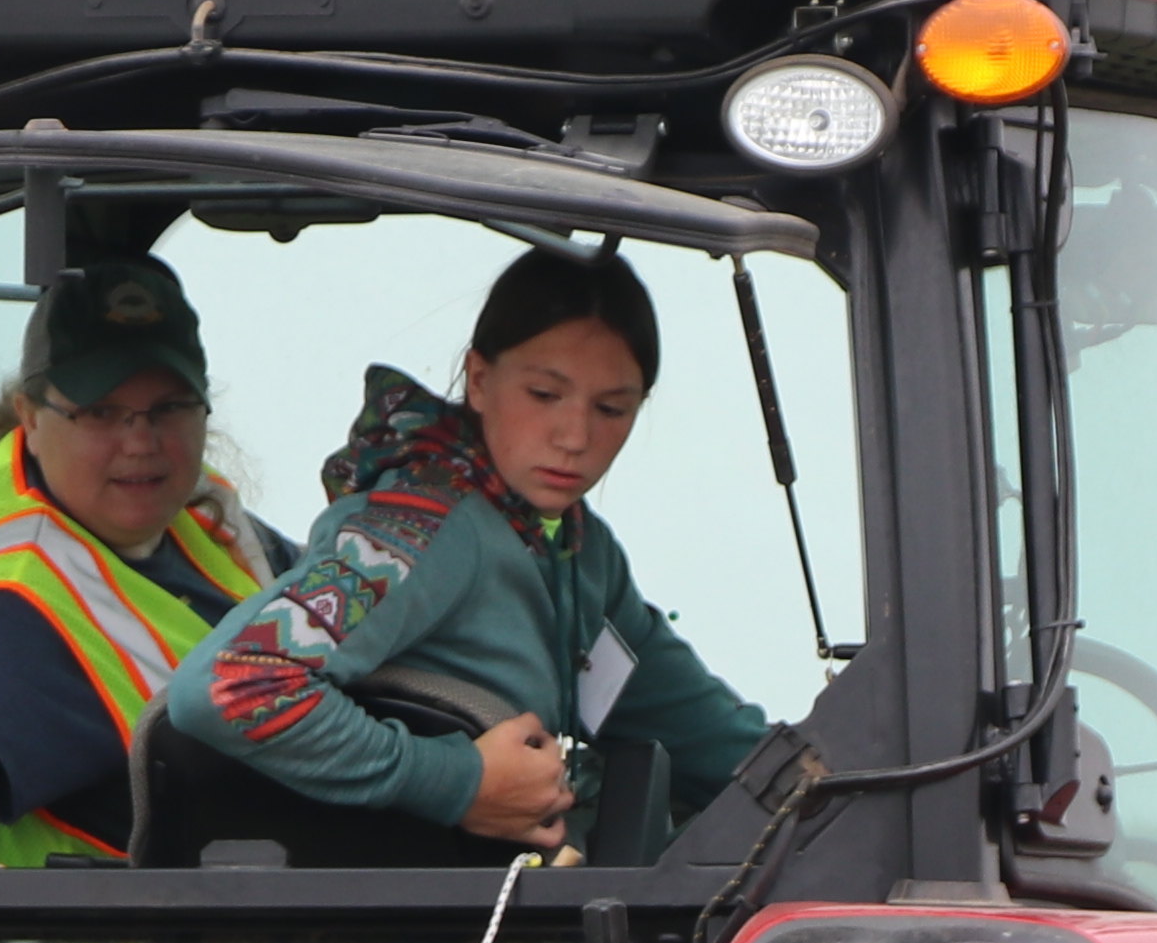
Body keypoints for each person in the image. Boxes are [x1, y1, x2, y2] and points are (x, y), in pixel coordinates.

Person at [151, 245, 768, 858]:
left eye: (611, 409)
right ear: (478, 379)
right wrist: (457, 782)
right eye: (544, 395)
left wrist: (840, 768)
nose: (575, 437)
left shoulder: (580, 553)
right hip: (372, 932)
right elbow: (231, 686)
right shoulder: (423, 527)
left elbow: (705, 738)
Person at [0, 258, 273, 923]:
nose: (141, 441)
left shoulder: (201, 517)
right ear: (30, 417)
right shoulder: (10, 578)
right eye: (101, 412)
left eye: (169, 407)